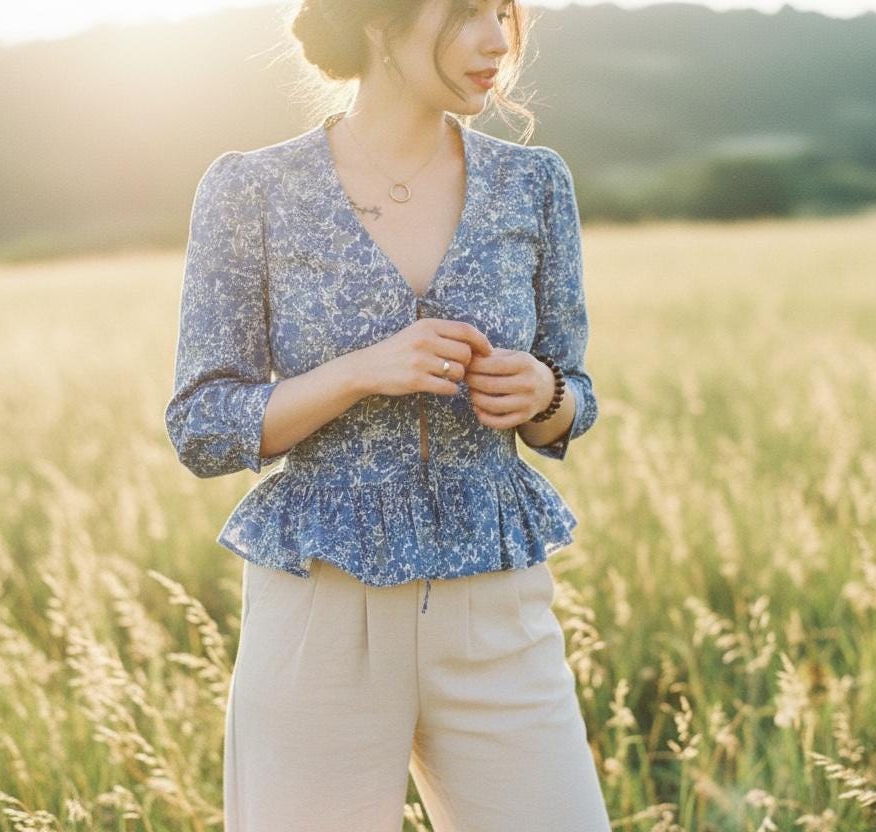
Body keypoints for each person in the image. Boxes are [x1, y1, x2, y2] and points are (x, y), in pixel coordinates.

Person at [163, 0, 609, 828]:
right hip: (320, 611)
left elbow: (571, 394)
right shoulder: (252, 190)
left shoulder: (534, 183)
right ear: (378, 22)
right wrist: (359, 374)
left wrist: (546, 394)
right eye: (466, 12)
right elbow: (203, 424)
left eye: (503, 13)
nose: (497, 41)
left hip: (496, 611)